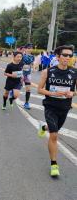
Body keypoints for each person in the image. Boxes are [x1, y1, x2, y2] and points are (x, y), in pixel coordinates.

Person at [37, 45, 77, 177]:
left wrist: (72, 93)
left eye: (70, 55)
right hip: (50, 106)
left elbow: (75, 91)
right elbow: (39, 90)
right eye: (65, 55)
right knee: (54, 135)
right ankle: (54, 164)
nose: (67, 57)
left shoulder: (74, 72)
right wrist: (54, 92)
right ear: (58, 56)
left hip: (64, 107)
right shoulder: (47, 71)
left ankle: (43, 127)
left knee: (53, 129)